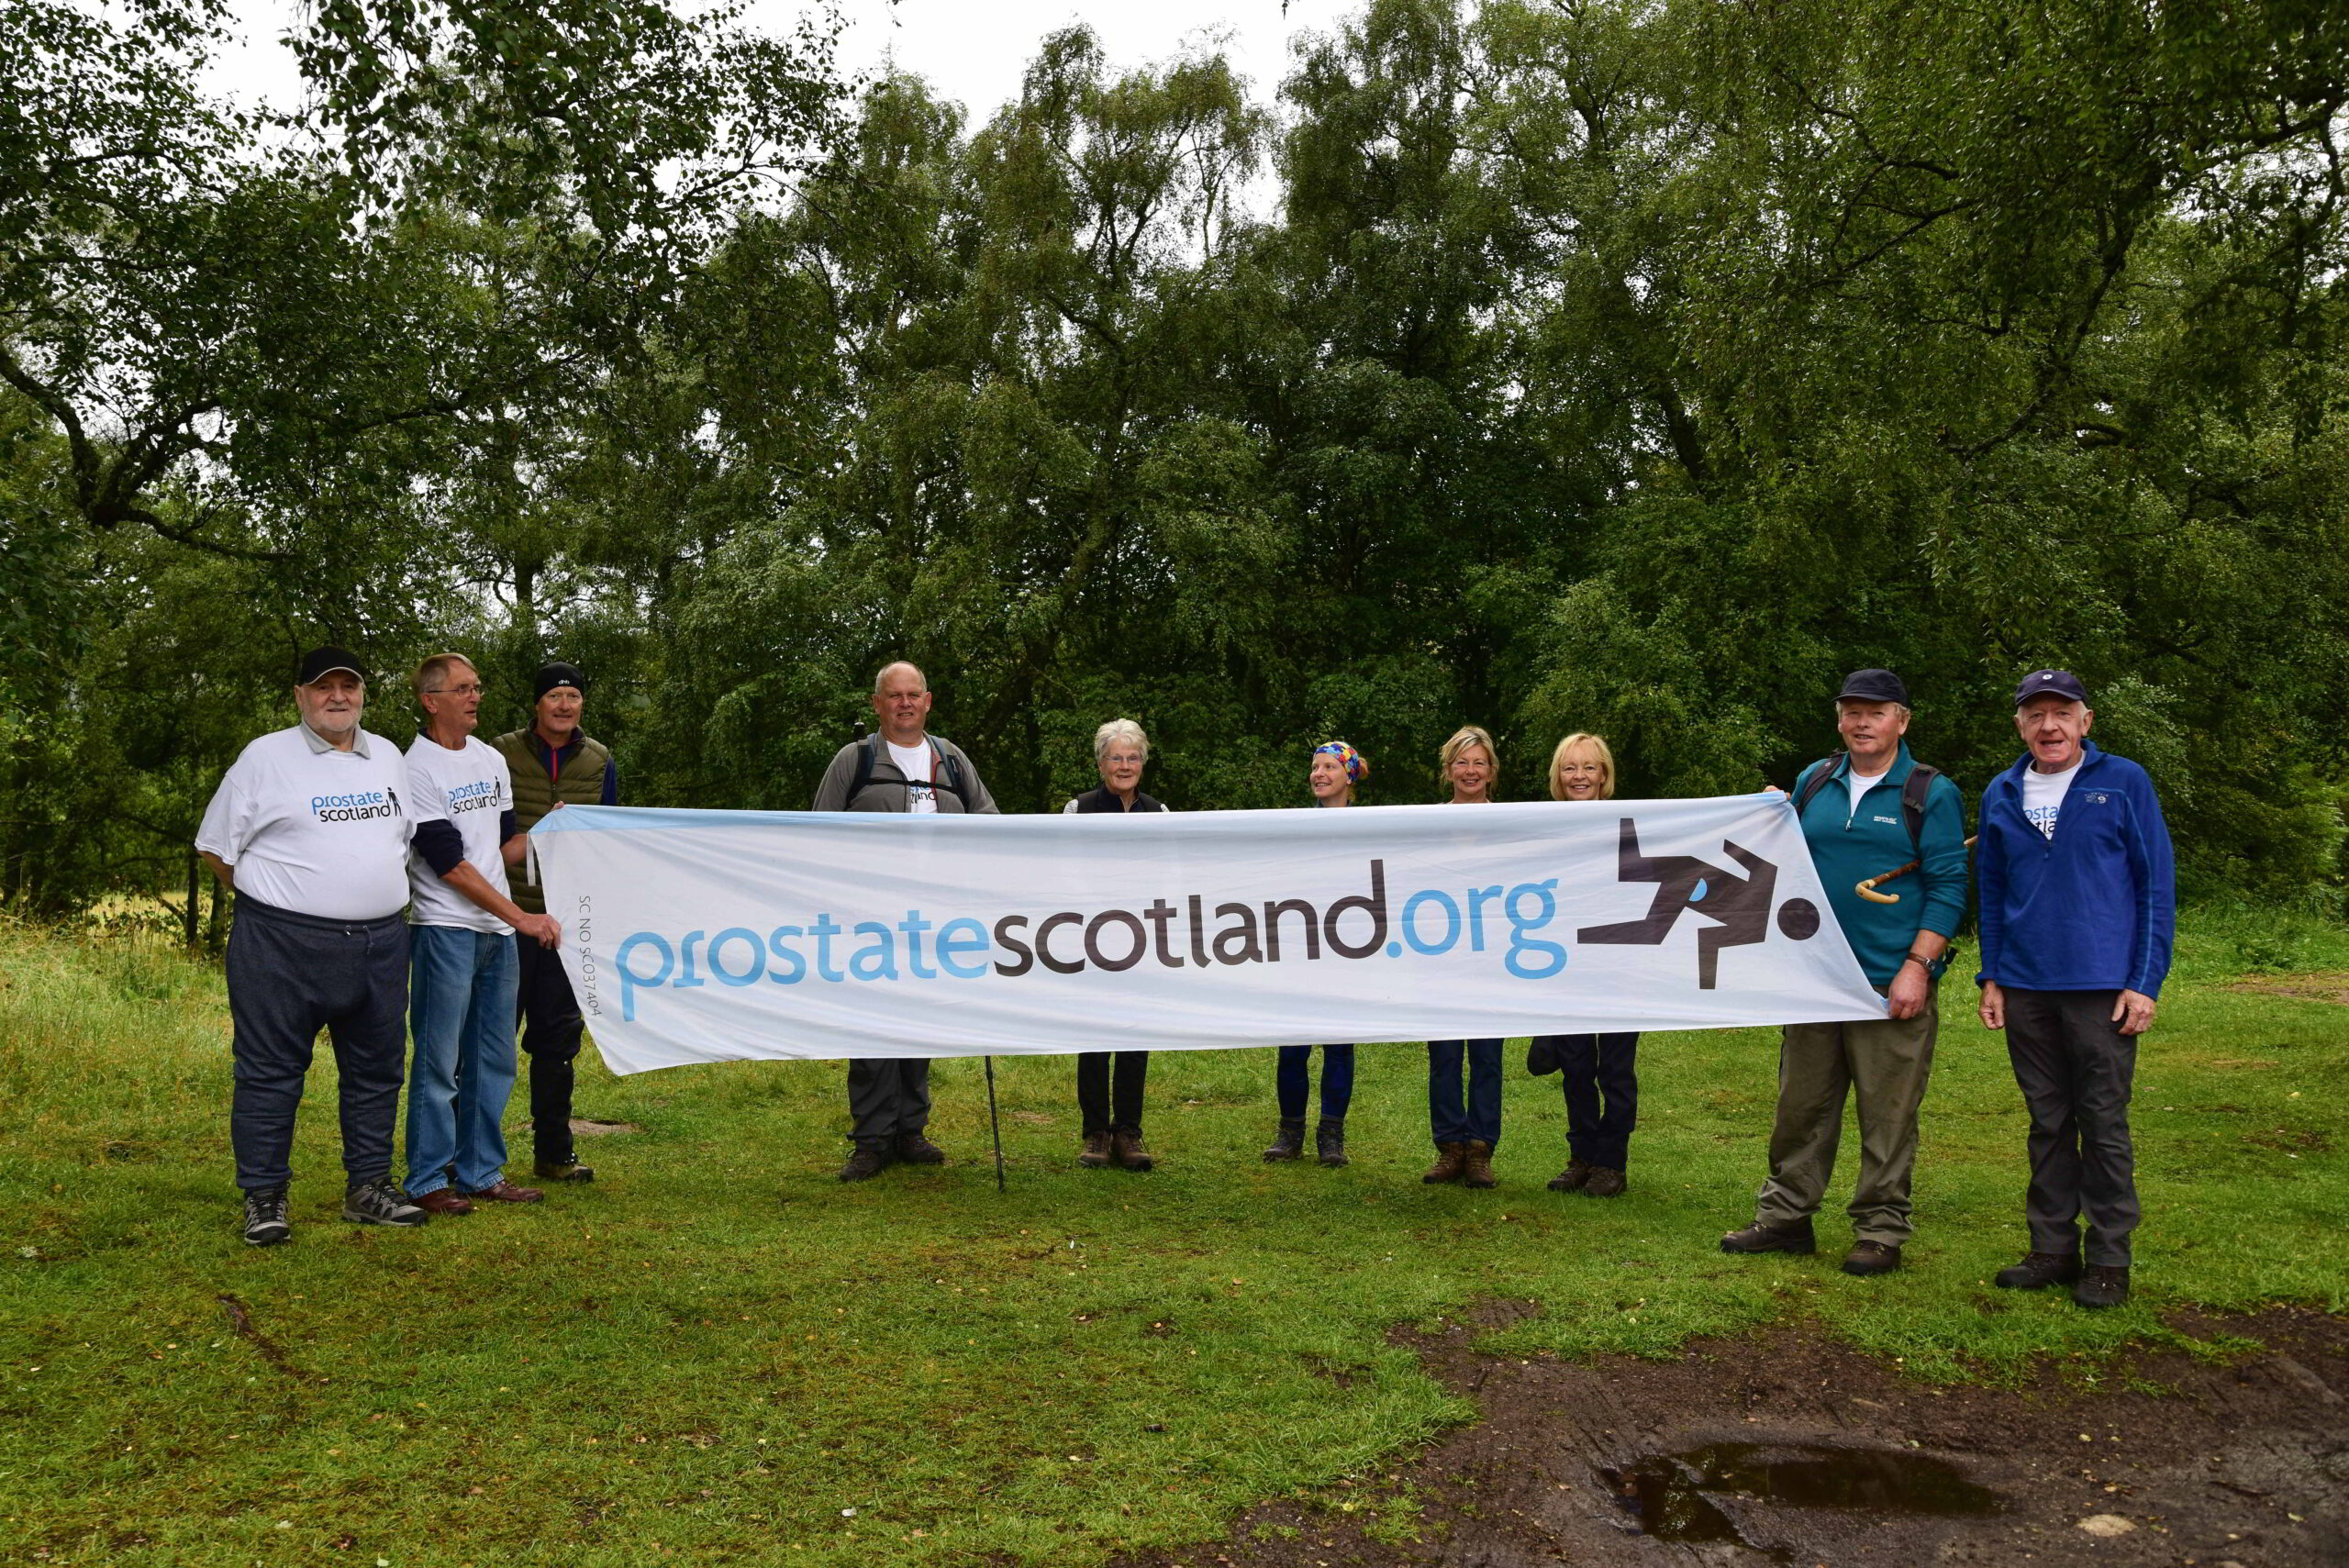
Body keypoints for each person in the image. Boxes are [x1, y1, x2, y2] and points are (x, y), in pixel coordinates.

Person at [1720, 670, 1967, 1276]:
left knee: (1887, 1113)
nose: (1862, 722)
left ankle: (1880, 1229)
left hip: (1888, 981)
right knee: (1801, 1105)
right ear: (1838, 719)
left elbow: (1949, 884)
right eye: (1852, 711)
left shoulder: (1929, 791)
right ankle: (1786, 1218)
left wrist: (1919, 965)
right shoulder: (1815, 780)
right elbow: (1781, 859)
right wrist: (1763, 815)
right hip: (1815, 977)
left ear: (1901, 721)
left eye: (1876, 712)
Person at [195, 647, 429, 1244]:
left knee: (378, 1071)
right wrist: (280, 901)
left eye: (349, 685)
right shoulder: (265, 757)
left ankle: (369, 1188)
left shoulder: (391, 758)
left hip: (380, 942)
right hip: (281, 943)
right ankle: (265, 1197)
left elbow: (399, 840)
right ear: (300, 695)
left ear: (363, 695)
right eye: (323, 687)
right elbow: (217, 849)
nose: (338, 696)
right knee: (270, 1073)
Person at [1976, 670, 2174, 1309]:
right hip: (2027, 986)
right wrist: (1994, 974)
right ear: (2020, 725)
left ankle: (2110, 1258)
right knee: (2048, 1122)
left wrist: (2144, 982)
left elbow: (2154, 887)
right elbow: (1993, 890)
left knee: (2104, 1122)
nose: (2049, 726)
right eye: (2036, 714)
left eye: (2062, 713)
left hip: (2102, 988)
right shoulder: (2003, 790)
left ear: (2085, 721)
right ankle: (2052, 1249)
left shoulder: (2123, 782)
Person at [810, 661, 1001, 1181]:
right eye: (894, 696)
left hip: (938, 920)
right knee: (872, 1025)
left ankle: (911, 1131)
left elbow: (989, 822)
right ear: (878, 704)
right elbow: (817, 834)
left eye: (913, 694)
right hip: (869, 921)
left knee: (920, 1021)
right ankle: (871, 1140)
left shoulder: (952, 760)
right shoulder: (855, 760)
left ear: (928, 700)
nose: (904, 703)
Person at [401, 654, 562, 1215]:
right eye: (462, 689)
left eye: (477, 688)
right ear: (431, 700)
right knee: (438, 1060)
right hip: (445, 929)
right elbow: (450, 864)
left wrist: (547, 831)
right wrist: (523, 917)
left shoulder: (491, 760)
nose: (475, 697)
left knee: (494, 1058)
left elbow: (497, 851)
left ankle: (480, 1172)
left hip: (497, 930)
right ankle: (426, 1180)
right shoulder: (414, 770)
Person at [492, 661, 619, 1183]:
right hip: (508, 915)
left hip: (566, 920)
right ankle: (472, 1154)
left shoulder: (600, 759)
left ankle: (554, 1152)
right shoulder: (500, 752)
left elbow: (610, 832)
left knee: (558, 1041)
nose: (564, 705)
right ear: (537, 704)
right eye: (554, 696)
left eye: (573, 696)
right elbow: (490, 834)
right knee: (493, 1038)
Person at [1531, 732, 1642, 1198]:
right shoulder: (1544, 829)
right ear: (1558, 775)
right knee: (1575, 1066)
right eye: (1570, 768)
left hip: (1620, 965)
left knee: (1615, 1069)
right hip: (1567, 967)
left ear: (1605, 774)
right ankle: (1581, 1155)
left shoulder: (1630, 825)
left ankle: (1611, 1161)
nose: (1579, 776)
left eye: (1589, 767)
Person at [1063, 717, 1168, 1171]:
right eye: (1116, 757)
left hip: (1140, 940)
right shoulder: (1077, 810)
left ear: (1143, 763)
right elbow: (1064, 873)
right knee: (1093, 1037)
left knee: (1133, 1035)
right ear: (1101, 763)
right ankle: (1095, 1134)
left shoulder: (1159, 813)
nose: (1124, 765)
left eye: (1133, 757)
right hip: (1088, 938)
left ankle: (1129, 1131)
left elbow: (1169, 875)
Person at [1266, 740, 1367, 1168]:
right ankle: (1290, 1133)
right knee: (1292, 1045)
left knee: (1339, 1045)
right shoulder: (1295, 826)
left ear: (1348, 776)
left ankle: (1331, 1136)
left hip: (1347, 951)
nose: (1319, 774)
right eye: (1315, 766)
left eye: (1329, 767)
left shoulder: (1369, 827)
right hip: (1300, 947)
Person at [1422, 726, 1503, 1190]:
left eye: (1478, 762)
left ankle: (1480, 1151)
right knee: (1445, 1056)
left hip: (1495, 958)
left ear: (1491, 771)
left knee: (1488, 1058)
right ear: (1448, 770)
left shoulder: (1511, 821)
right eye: (1461, 762)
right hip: (1441, 957)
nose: (1470, 771)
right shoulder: (1429, 823)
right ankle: (1450, 1147)